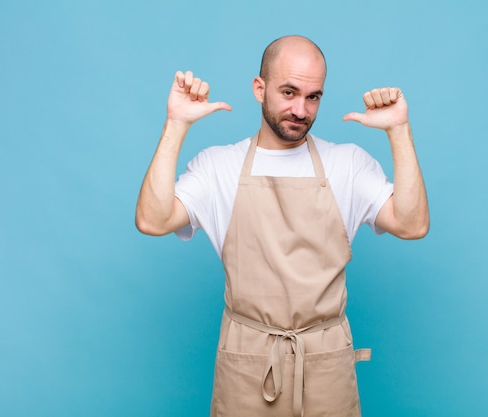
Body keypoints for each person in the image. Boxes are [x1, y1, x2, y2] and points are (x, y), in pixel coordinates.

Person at [136, 35, 429, 417]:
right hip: (248, 362)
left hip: (325, 363)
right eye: (289, 92)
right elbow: (152, 220)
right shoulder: (218, 166)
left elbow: (412, 224)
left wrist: (399, 131)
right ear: (260, 89)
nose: (301, 109)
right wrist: (175, 124)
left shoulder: (348, 164)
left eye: (313, 97)